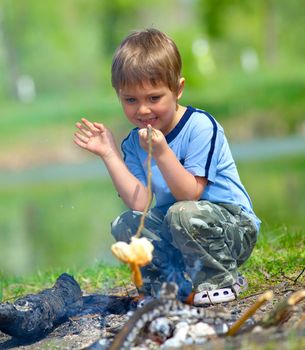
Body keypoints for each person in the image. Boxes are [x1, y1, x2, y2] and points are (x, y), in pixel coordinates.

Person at [74, 28, 260, 305]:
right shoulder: (133, 143)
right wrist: (109, 154)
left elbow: (190, 193)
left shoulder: (200, 126)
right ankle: (164, 287)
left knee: (181, 212)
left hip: (230, 230)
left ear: (178, 89)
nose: (143, 110)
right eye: (130, 100)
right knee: (126, 223)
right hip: (180, 231)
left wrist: (162, 152)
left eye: (154, 98)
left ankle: (221, 280)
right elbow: (141, 203)